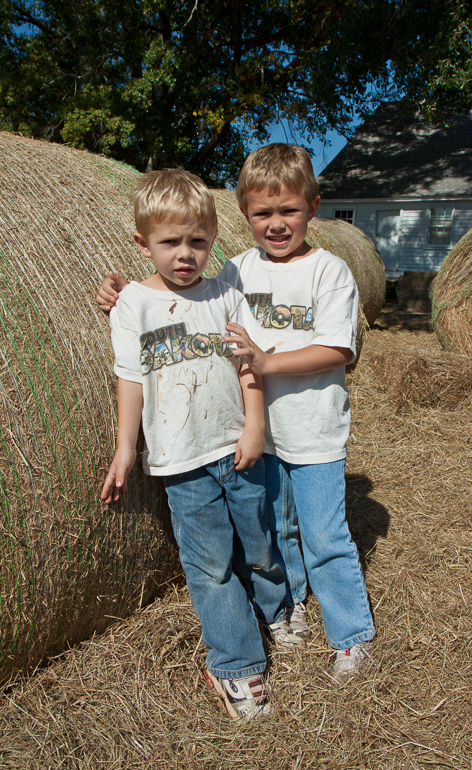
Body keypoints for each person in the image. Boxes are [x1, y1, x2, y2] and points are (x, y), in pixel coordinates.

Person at [97, 145, 375, 680]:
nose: (276, 224)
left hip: (313, 429)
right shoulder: (236, 270)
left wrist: (267, 362)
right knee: (277, 532)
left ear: (313, 208)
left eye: (288, 211)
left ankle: (350, 635)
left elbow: (340, 349)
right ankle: (289, 611)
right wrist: (121, 294)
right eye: (262, 213)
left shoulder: (329, 270)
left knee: (324, 535)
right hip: (256, 436)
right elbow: (186, 294)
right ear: (244, 215)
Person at [100, 168, 302, 722]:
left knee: (260, 543)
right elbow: (130, 380)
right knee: (210, 566)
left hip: (235, 446)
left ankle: (278, 611)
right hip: (181, 463)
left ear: (214, 240)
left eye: (198, 241)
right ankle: (236, 664)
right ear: (143, 243)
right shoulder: (132, 306)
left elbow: (247, 364)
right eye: (170, 243)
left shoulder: (227, 291)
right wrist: (125, 451)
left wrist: (255, 424)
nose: (185, 254)